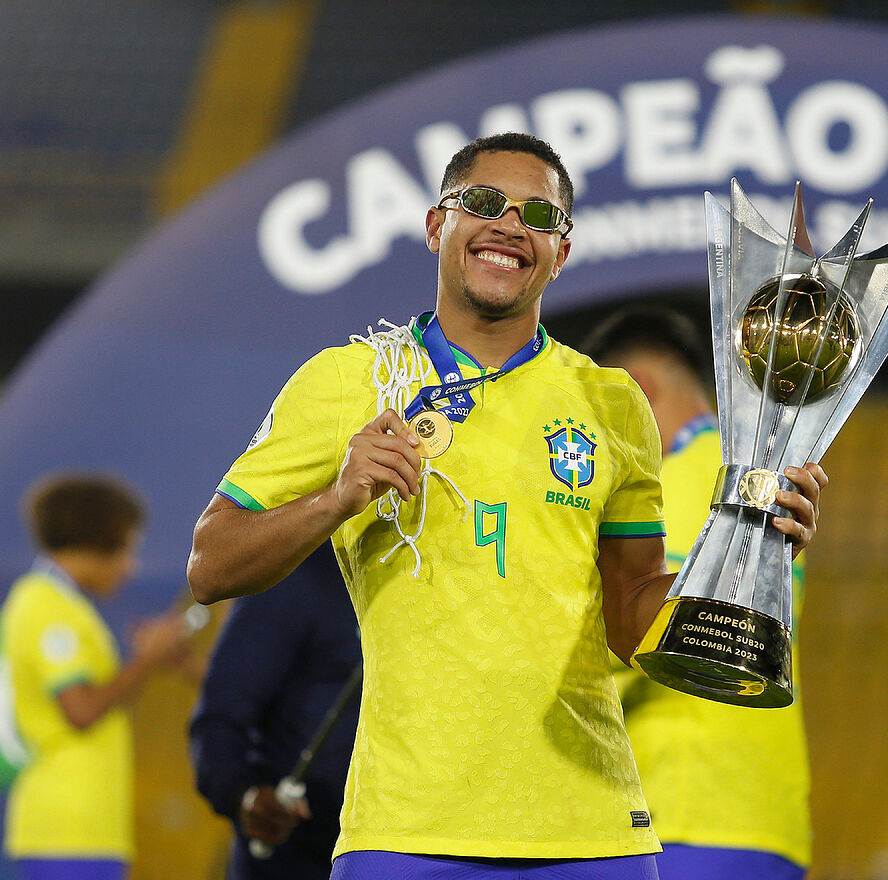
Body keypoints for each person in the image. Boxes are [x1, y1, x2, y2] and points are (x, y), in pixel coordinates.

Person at [186, 132, 825, 880]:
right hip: (407, 830)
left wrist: (756, 548)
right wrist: (340, 496)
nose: (509, 227)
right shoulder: (347, 381)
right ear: (437, 225)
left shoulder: (612, 403)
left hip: (593, 838)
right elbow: (210, 563)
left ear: (561, 250)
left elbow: (632, 618)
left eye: (538, 216)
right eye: (484, 204)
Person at [580, 307, 811, 880]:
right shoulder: (754, 480)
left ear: (639, 393)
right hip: (762, 817)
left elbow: (669, 632)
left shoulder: (680, 481)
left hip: (684, 812)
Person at [1, 473, 195, 880]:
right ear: (99, 541)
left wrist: (150, 662)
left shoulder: (60, 603)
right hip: (67, 829)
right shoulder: (46, 605)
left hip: (85, 830)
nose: (131, 564)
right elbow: (82, 709)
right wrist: (147, 660)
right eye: (127, 546)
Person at [189, 541, 361, 880]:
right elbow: (222, 712)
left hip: (424, 845)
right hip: (296, 854)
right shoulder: (299, 575)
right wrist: (244, 796)